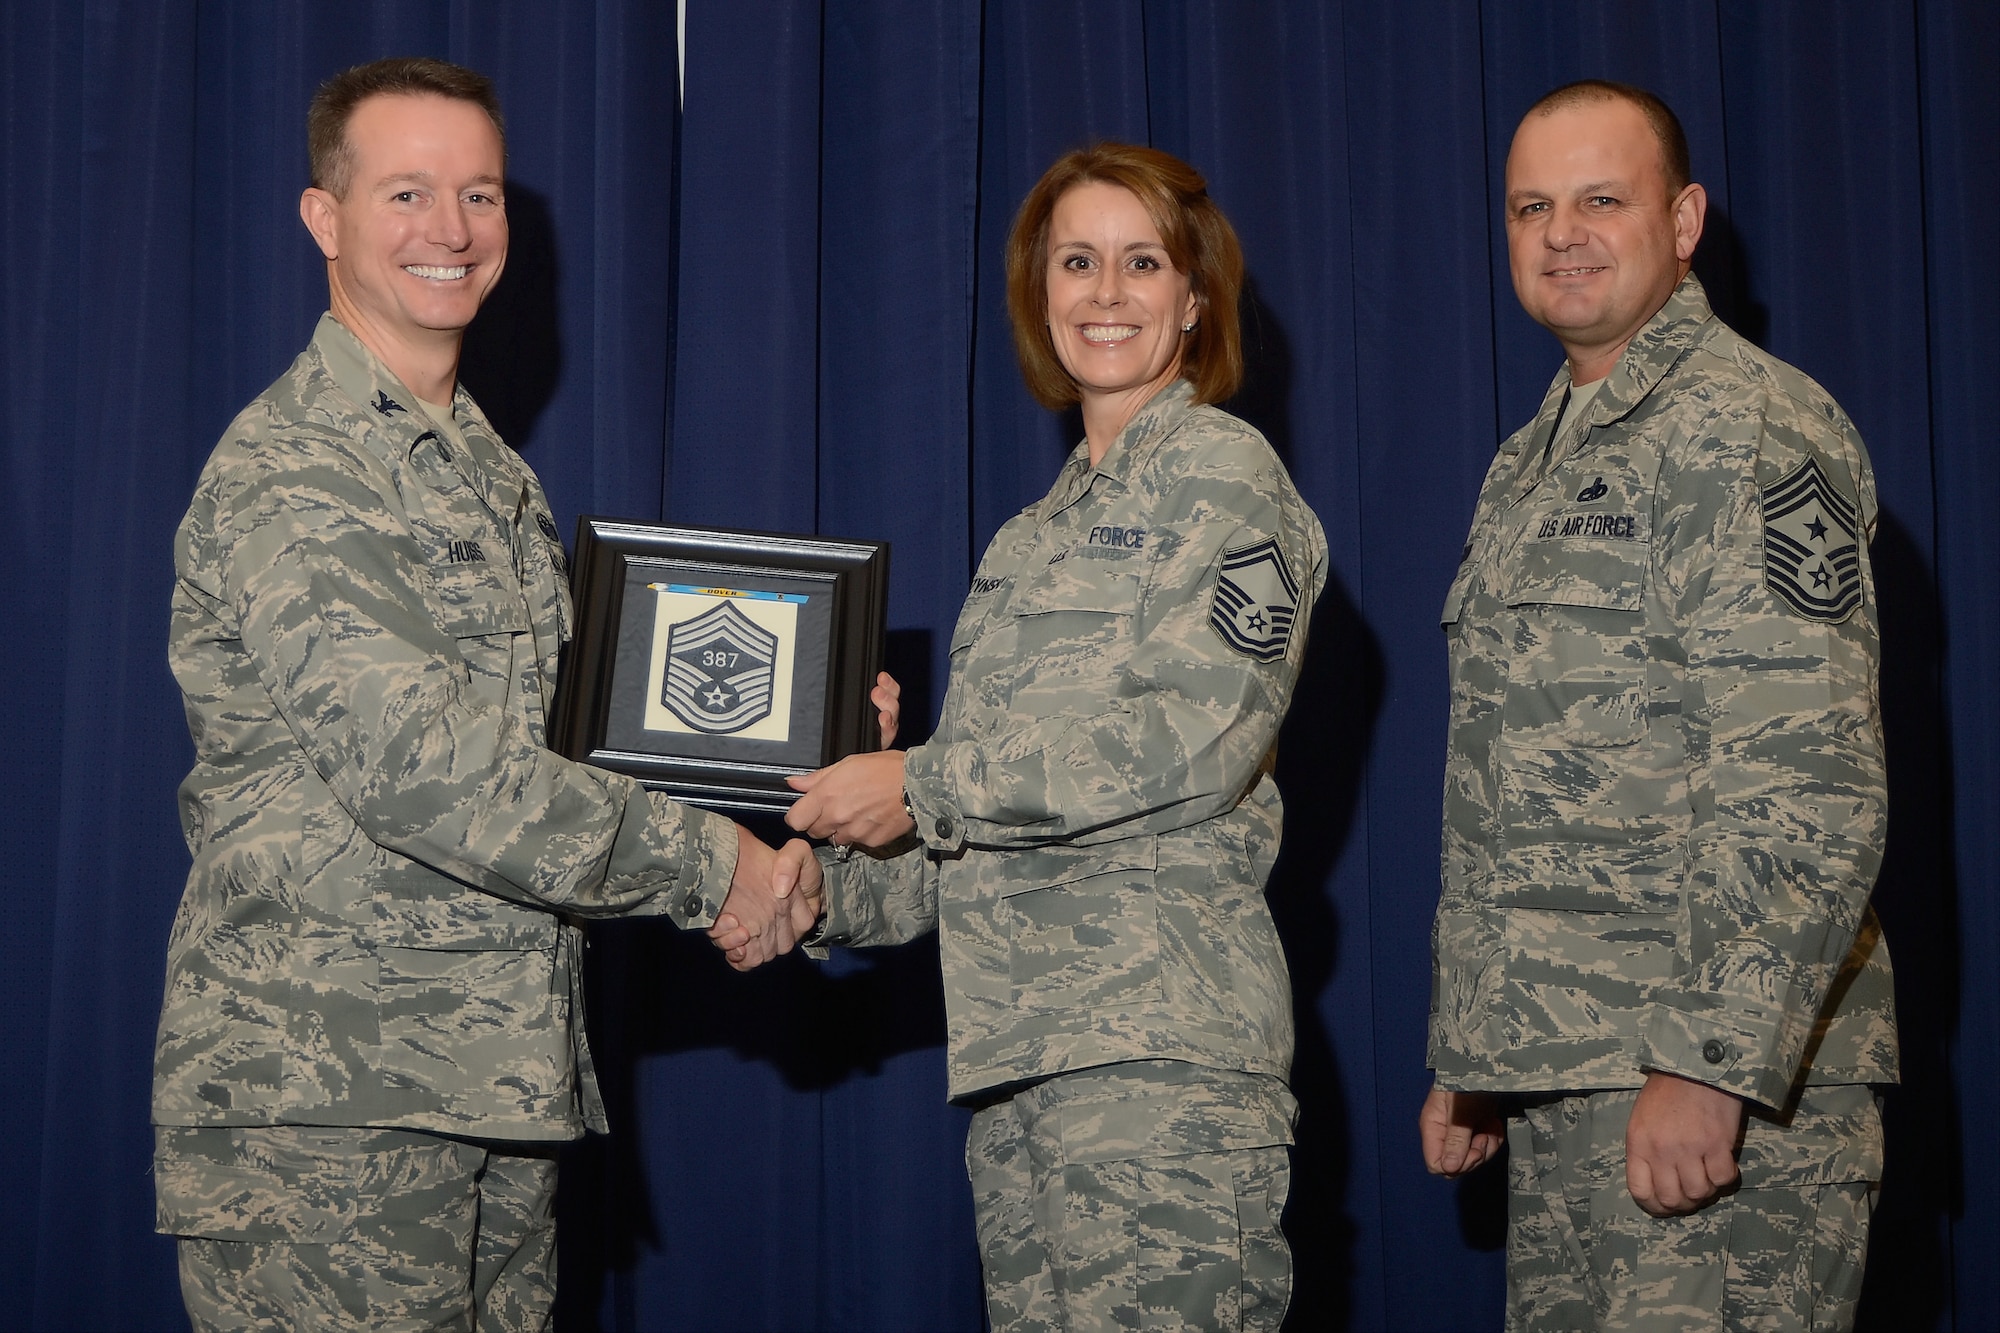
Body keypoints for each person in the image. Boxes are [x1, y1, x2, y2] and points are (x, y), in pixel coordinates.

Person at [150, 57, 819, 1329]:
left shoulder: (485, 475)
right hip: (331, 1108)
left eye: (480, 195)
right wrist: (709, 866)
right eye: (406, 193)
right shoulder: (298, 467)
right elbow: (428, 770)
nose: (450, 232)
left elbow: (578, 745)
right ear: (323, 218)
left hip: (492, 1086)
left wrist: (810, 735)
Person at [761, 143, 1328, 1331]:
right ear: (1037, 293)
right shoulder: (1027, 543)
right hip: (1020, 1069)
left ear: (1194, 296)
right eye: (1075, 262)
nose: (1104, 294)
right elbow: (958, 852)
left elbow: (1193, 740)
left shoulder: (1223, 477)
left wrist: (918, 779)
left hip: (1158, 1063)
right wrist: (816, 870)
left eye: (1139, 263)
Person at [1420, 80, 1898, 1331]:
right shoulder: (1533, 458)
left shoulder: (1750, 425)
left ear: (1681, 221)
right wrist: (1476, 1047)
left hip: (1711, 1094)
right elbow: (1515, 778)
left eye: (1599, 199)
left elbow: (1805, 777)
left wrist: (1707, 1061)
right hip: (1566, 1074)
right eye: (1531, 205)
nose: (1560, 231)